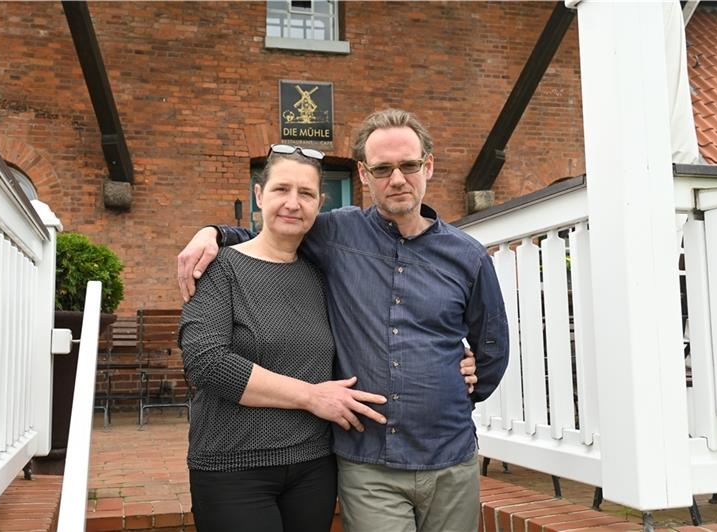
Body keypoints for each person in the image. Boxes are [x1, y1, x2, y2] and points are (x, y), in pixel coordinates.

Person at [179, 109, 509, 532]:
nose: (397, 179)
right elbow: (278, 230)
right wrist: (215, 233)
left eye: (408, 165)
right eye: (382, 168)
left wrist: (459, 382)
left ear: (428, 165)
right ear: (363, 173)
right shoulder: (336, 234)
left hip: (449, 455)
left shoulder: (468, 256)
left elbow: (492, 345)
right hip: (365, 462)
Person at [178, 144, 390, 532]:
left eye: (306, 194)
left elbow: (375, 321)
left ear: (319, 204)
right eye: (281, 190)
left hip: (313, 466)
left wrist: (457, 354)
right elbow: (206, 362)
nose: (293, 203)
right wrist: (312, 397)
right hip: (233, 467)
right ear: (259, 196)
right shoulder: (218, 268)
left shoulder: (321, 273)